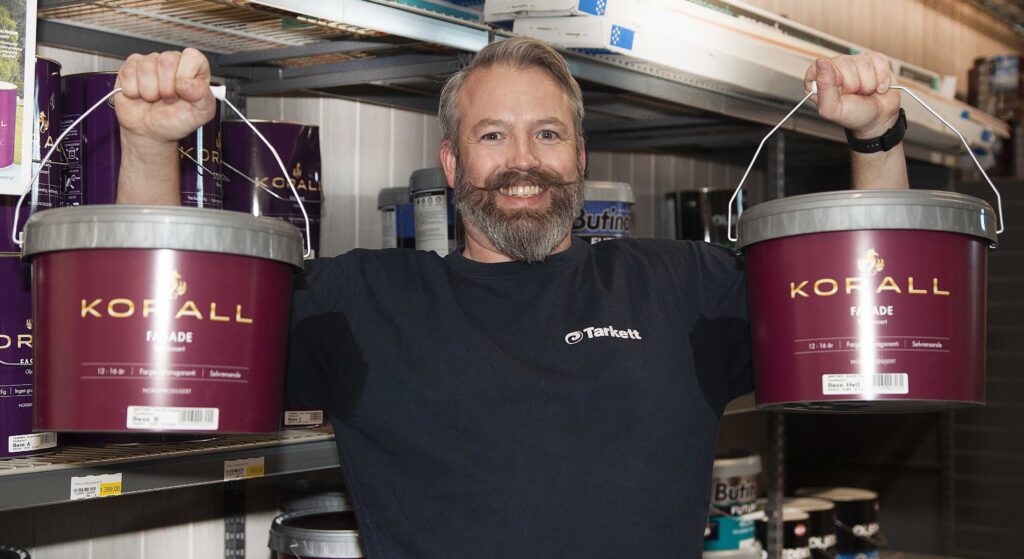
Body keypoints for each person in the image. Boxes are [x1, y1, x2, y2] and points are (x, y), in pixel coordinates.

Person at [114, 38, 908, 557]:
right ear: (452, 164)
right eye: (493, 135)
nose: (523, 160)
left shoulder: (681, 287)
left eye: (547, 134)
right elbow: (168, 339)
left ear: (581, 157)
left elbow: (876, 309)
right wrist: (149, 147)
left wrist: (876, 139)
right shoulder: (366, 301)